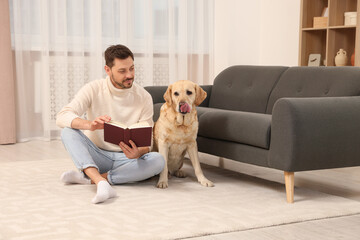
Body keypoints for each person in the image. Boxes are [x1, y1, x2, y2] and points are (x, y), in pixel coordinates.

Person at [56, 44, 165, 204]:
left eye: (132, 69)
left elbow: (146, 143)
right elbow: (62, 116)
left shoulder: (144, 97)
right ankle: (101, 182)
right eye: (122, 71)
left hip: (127, 159)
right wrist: (90, 125)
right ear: (108, 70)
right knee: (68, 132)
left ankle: (91, 179)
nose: (129, 75)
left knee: (158, 161)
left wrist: (138, 153)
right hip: (98, 154)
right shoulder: (93, 88)